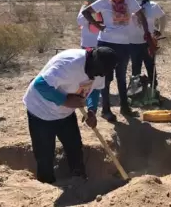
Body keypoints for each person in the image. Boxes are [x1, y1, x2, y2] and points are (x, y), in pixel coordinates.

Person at [22, 47, 118, 184]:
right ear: (92, 61)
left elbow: (95, 89)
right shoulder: (68, 64)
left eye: (101, 74)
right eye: (95, 73)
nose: (96, 76)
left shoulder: (101, 71)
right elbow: (40, 85)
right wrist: (65, 100)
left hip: (66, 113)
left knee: (74, 146)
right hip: (41, 111)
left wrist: (92, 110)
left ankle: (79, 177)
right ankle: (46, 182)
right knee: (45, 153)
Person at [81, 0, 156, 122]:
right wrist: (98, 26)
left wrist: (147, 34)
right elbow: (86, 12)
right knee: (106, 77)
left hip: (123, 44)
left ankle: (124, 107)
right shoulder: (103, 1)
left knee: (121, 76)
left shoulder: (129, 0)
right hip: (105, 44)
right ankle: (106, 110)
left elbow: (141, 16)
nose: (116, 0)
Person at [129, 0, 166, 91]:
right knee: (136, 67)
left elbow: (163, 17)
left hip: (149, 42)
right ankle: (136, 90)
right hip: (133, 42)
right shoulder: (130, 7)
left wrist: (160, 30)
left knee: (150, 65)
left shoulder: (153, 6)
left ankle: (153, 87)